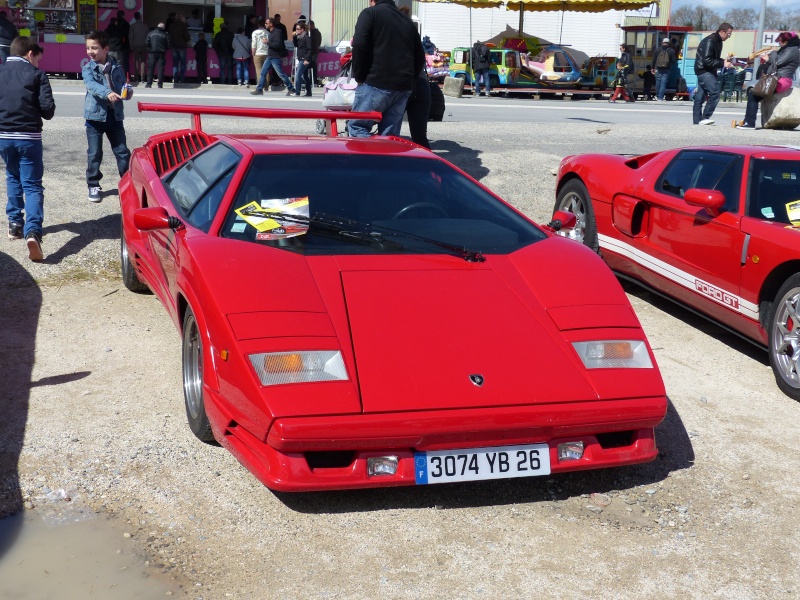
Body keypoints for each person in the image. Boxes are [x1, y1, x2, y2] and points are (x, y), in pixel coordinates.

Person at [0, 36, 55, 261]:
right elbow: (48, 110)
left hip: (3, 136)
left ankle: (15, 223)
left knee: (12, 176)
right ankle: (33, 231)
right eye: (38, 59)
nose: (38, 64)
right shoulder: (37, 75)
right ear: (30, 53)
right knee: (32, 185)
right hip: (28, 136)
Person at [82, 30, 131, 204]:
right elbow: (92, 86)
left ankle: (127, 181)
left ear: (106, 49)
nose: (90, 51)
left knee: (122, 151)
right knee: (95, 153)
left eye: (94, 48)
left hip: (115, 116)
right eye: (88, 48)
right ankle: (93, 184)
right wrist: (108, 93)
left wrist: (127, 91)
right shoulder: (88, 68)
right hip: (95, 118)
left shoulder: (117, 67)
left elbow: (123, 85)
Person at [737, 31, 800, 129]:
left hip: (781, 80)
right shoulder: (791, 49)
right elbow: (777, 61)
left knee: (754, 95)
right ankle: (747, 121)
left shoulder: (792, 50)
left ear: (786, 41)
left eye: (781, 41)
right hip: (779, 78)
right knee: (754, 94)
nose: (779, 43)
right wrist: (767, 57)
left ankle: (749, 123)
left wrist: (773, 53)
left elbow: (777, 62)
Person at [693, 23, 734, 125]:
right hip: (704, 70)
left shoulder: (718, 41)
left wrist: (724, 60)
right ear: (722, 32)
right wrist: (722, 63)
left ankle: (697, 121)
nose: (729, 37)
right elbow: (707, 60)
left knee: (700, 97)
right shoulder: (710, 41)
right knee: (715, 93)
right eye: (729, 34)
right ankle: (704, 118)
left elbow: (712, 58)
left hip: (706, 70)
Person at [250, 17, 294, 96]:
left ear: (271, 24)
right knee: (263, 73)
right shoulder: (271, 32)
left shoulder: (277, 32)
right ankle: (259, 89)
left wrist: (267, 42)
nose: (265, 25)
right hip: (270, 56)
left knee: (281, 74)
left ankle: (291, 88)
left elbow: (277, 45)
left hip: (274, 56)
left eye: (267, 23)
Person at [145, 22, 169, 88]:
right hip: (161, 53)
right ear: (163, 28)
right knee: (160, 69)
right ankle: (160, 84)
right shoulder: (165, 34)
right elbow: (168, 44)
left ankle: (149, 84)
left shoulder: (150, 33)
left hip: (152, 53)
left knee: (150, 69)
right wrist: (165, 49)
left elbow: (146, 42)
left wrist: (149, 49)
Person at [168, 13, 190, 83]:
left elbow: (169, 35)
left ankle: (175, 79)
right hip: (182, 47)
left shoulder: (172, 25)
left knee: (175, 64)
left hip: (174, 46)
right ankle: (182, 79)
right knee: (183, 64)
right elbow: (187, 37)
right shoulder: (183, 26)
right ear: (181, 19)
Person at [129, 12, 149, 83]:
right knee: (143, 61)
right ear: (140, 17)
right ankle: (142, 78)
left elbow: (131, 37)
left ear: (134, 17)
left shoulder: (132, 26)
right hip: (143, 46)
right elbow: (147, 37)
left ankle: (137, 78)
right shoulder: (145, 26)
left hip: (135, 46)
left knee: (136, 61)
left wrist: (131, 45)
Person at [294, 21, 312, 96]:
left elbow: (309, 49)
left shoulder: (306, 37)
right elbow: (296, 45)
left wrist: (307, 59)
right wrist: (294, 37)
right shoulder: (299, 38)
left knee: (298, 75)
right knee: (305, 76)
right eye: (296, 29)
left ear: (302, 30)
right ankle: (309, 92)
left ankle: (297, 91)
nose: (296, 30)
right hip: (300, 58)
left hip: (304, 59)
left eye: (298, 29)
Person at [250, 17, 268, 88]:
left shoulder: (255, 32)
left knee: (259, 70)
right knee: (266, 71)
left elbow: (254, 44)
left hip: (258, 53)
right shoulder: (268, 33)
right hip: (266, 53)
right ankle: (266, 86)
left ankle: (260, 85)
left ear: (258, 25)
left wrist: (253, 53)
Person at [116, 10, 130, 78]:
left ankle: (116, 76)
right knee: (125, 62)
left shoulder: (114, 23)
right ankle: (126, 76)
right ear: (123, 15)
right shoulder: (126, 23)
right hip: (125, 46)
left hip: (114, 47)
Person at [309, 20, 322, 86]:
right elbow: (319, 42)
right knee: (314, 67)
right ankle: (313, 81)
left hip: (312, 52)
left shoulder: (311, 33)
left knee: (312, 66)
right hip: (315, 51)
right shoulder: (318, 32)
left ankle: (312, 81)